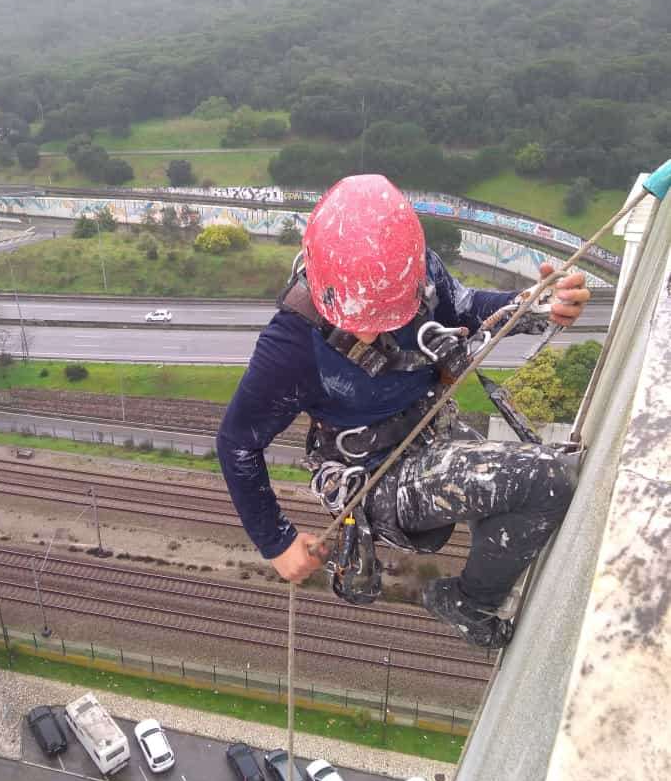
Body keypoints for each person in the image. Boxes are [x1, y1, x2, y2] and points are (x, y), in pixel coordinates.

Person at [217, 175, 590, 648]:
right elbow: (237, 444)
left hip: (431, 430)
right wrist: (277, 542)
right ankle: (469, 602)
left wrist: (536, 306)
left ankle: (478, 583)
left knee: (530, 487)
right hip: (375, 475)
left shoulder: (416, 275)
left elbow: (467, 308)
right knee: (547, 480)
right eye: (361, 324)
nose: (374, 334)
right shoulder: (291, 347)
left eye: (387, 318)